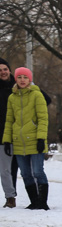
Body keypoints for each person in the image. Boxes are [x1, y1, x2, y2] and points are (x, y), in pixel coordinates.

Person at [2, 67, 49, 210]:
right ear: (15, 79)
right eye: (19, 77)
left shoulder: (37, 95)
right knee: (25, 173)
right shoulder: (12, 97)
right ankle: (34, 201)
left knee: (38, 171)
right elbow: (9, 120)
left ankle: (42, 202)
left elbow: (43, 118)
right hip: (18, 141)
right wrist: (7, 140)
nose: (22, 80)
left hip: (34, 139)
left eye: (25, 77)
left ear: (30, 79)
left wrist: (41, 138)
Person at [0, 57, 17, 208]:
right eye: (0, 70)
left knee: (6, 170)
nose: (3, 72)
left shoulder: (18, 87)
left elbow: (45, 99)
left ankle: (10, 197)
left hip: (12, 135)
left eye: (5, 69)